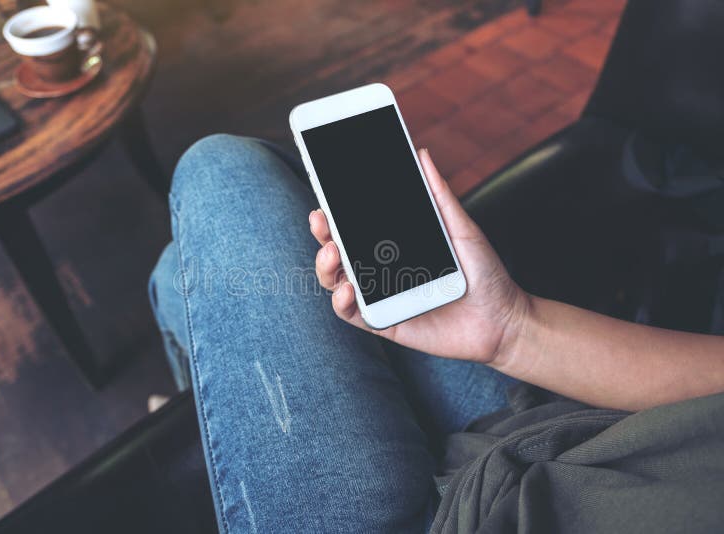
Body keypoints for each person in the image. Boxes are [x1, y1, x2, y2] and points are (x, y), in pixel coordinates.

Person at [149, 134, 724, 533]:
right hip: (558, 431)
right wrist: (512, 330)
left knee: (220, 171)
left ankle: (207, 405)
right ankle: (213, 405)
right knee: (187, 270)